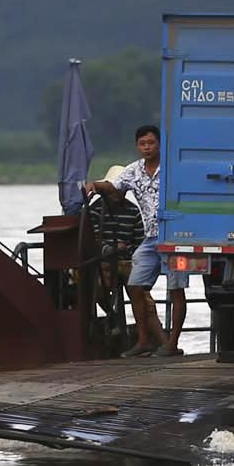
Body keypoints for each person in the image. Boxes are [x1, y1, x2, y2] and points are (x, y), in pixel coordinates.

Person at [87, 124, 185, 357]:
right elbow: (113, 185)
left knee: (176, 289)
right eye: (142, 144)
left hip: (174, 235)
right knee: (135, 285)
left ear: (160, 144)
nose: (147, 147)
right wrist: (94, 185)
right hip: (151, 238)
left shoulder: (173, 167)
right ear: (137, 146)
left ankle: (171, 344)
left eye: (151, 143)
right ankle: (144, 341)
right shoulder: (134, 170)